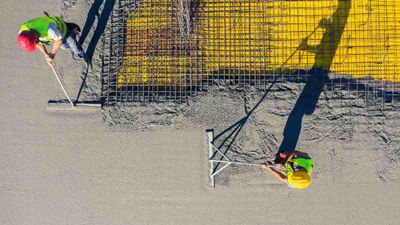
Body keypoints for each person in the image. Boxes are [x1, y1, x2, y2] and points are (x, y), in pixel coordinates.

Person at [17, 16, 85, 65]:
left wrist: (52, 54)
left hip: (62, 29)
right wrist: (46, 55)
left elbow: (59, 40)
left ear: (35, 37)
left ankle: (79, 51)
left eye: (34, 43)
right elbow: (38, 43)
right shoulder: (23, 31)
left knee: (73, 44)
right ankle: (72, 48)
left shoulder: (50, 30)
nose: (36, 44)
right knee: (64, 47)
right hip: (54, 35)